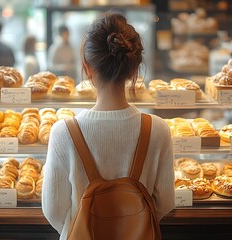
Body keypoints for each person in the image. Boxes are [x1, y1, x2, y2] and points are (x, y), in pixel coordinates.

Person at [42, 13, 175, 239]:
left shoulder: (63, 132)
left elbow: (53, 211)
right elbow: (165, 203)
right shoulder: (158, 130)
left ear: (87, 68)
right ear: (134, 70)